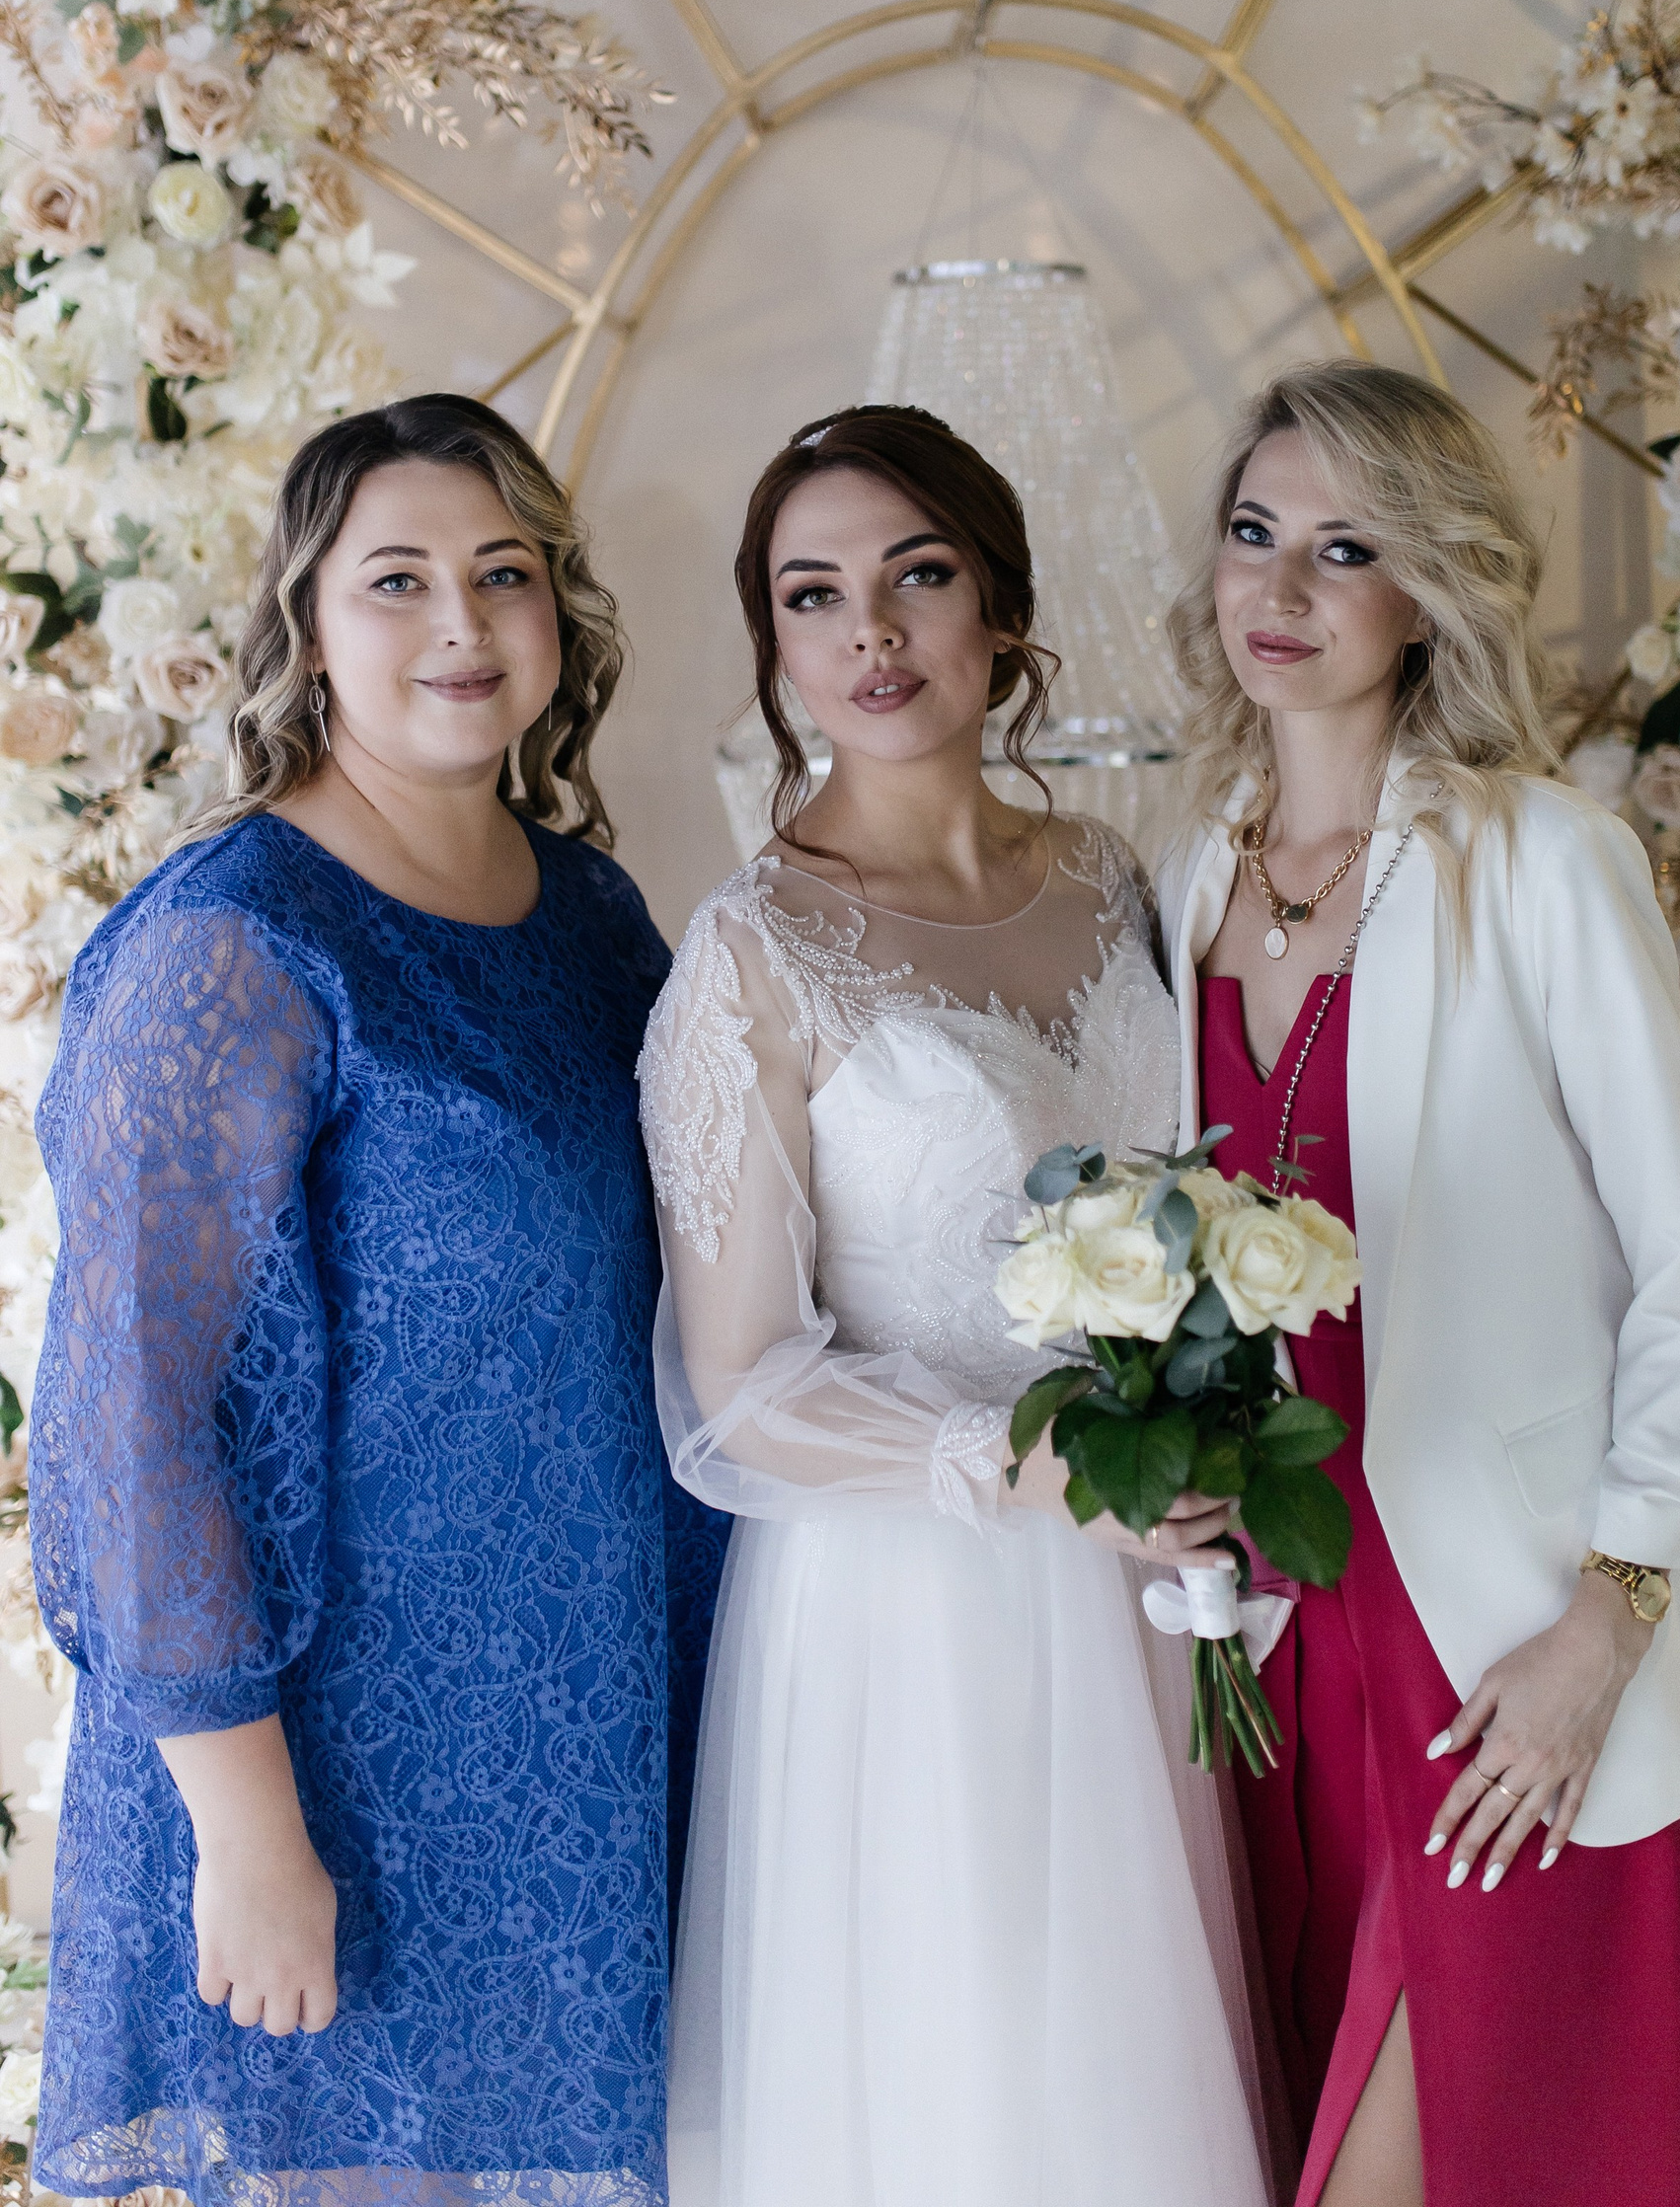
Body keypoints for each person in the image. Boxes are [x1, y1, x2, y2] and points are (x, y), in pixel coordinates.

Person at [1156, 359, 1680, 2207]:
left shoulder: (1545, 860)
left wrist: (1604, 1626)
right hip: (1275, 1652)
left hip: (1507, 1647)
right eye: (1254, 533)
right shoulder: (1185, 881)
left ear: (1430, 592)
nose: (1281, 589)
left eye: (1346, 549)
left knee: (1478, 2152)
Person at [31, 393, 725, 2207]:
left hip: (569, 1737)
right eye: (397, 578)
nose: (460, 625)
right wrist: (248, 1832)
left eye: (504, 574)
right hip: (329, 1767)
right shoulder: (235, 941)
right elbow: (134, 1411)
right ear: (309, 622)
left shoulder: (593, 916)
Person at [638, 404, 1287, 2207]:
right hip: (907, 1612)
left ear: (999, 607)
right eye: (813, 594)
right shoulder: (749, 953)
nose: (871, 632)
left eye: (916, 576)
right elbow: (741, 1390)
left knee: (1133, 2085)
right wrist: (1040, 1470)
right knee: (966, 2090)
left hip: (1145, 1582)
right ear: (775, 643)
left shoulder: (1113, 879)